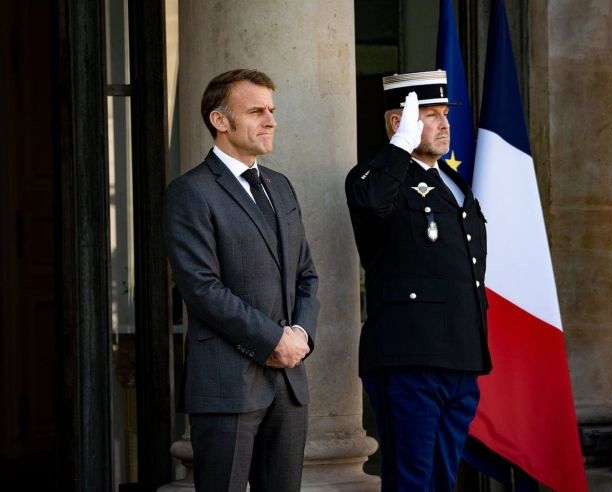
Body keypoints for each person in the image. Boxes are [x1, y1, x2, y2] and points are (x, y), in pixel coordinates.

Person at [164, 69, 319, 492]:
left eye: (271, 110)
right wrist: (272, 340)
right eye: (256, 111)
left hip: (289, 384)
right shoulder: (190, 192)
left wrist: (301, 335)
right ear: (220, 120)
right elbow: (202, 288)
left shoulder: (280, 187)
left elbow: (306, 274)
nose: (271, 121)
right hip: (226, 384)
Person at [345, 70, 492, 491]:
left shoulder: (451, 182)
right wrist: (400, 147)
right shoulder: (373, 178)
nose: (445, 124)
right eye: (430, 115)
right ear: (399, 122)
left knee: (442, 478)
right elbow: (373, 206)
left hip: (460, 357)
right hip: (409, 357)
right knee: (411, 480)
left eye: (446, 114)